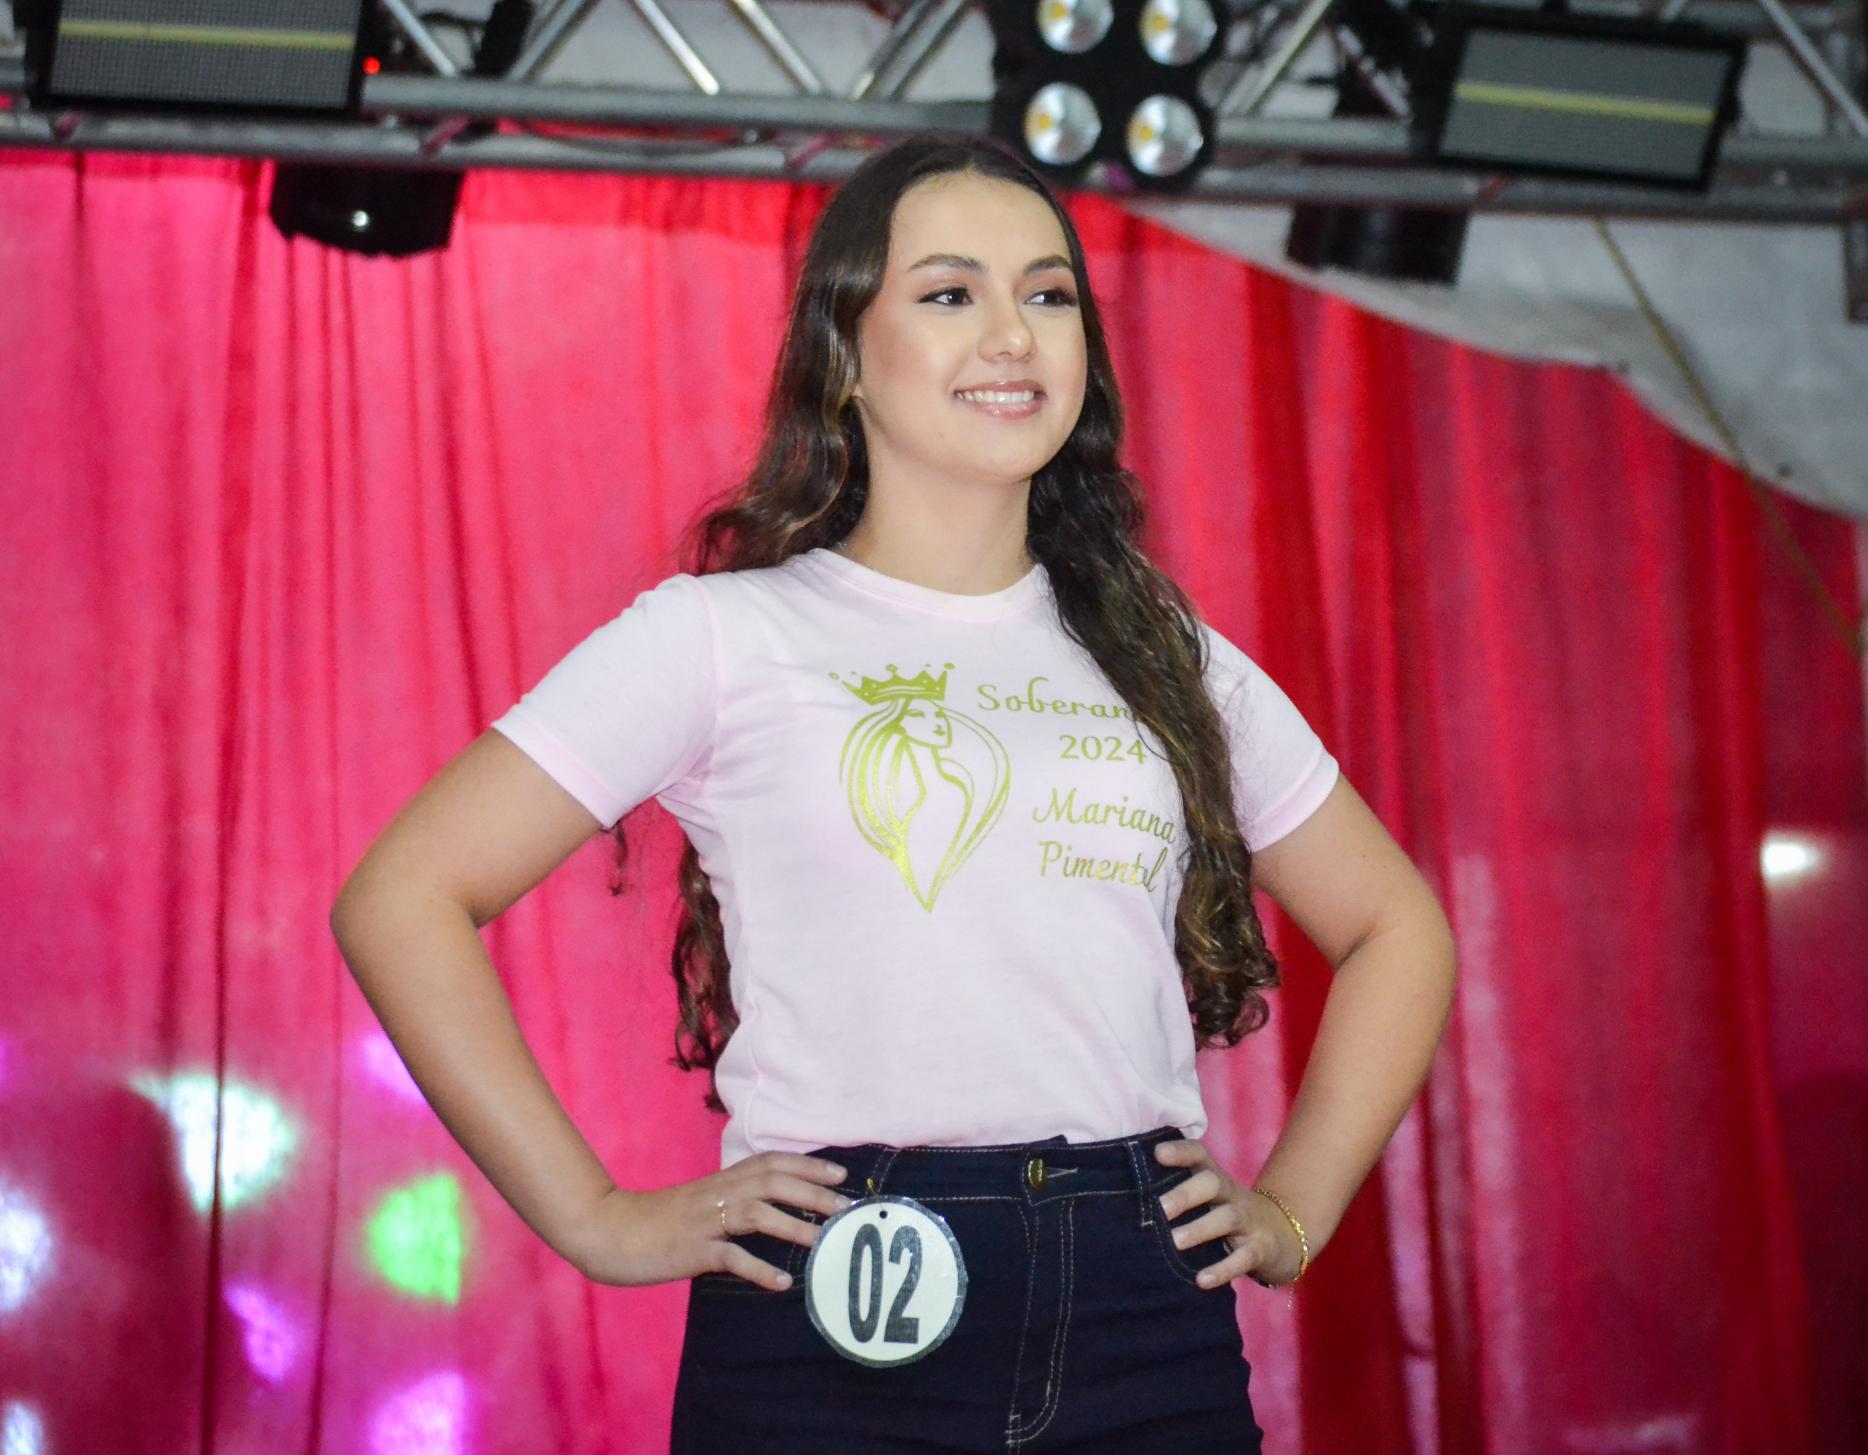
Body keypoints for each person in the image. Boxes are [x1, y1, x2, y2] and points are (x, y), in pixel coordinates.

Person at [330, 135, 1458, 1453]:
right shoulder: (721, 636)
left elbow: (1397, 928)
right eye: (949, 293)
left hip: (1141, 1302)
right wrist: (595, 1218)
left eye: (1048, 295)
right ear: (847, 355)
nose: (1011, 334)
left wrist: (1294, 1210)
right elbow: (403, 896)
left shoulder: (1166, 654)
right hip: (835, 1300)